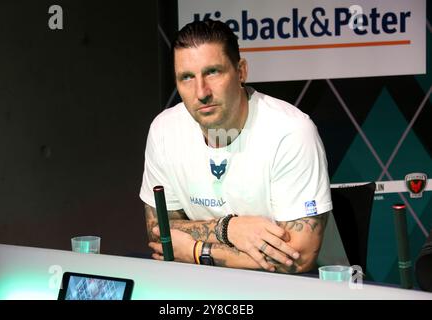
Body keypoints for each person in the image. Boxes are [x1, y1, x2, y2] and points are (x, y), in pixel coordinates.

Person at [139, 19, 332, 274]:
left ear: (240, 71)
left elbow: (299, 256)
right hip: (203, 290)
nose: (201, 92)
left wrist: (197, 250)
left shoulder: (291, 132)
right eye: (187, 77)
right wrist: (229, 228)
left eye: (213, 72)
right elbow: (159, 235)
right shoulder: (164, 130)